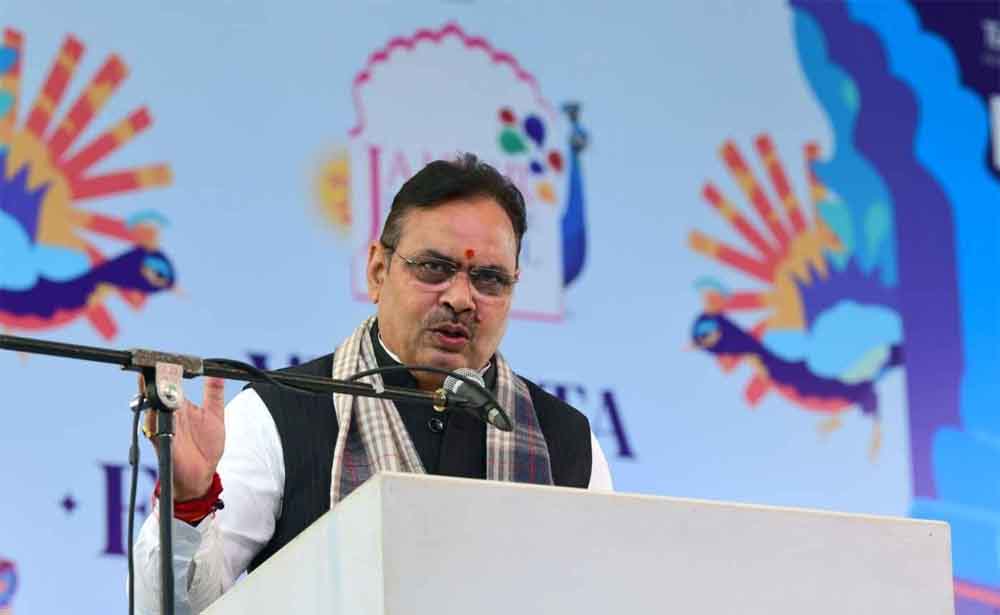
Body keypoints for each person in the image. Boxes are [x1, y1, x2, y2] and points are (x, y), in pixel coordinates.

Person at [132, 153, 613, 613]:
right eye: (435, 268)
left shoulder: (565, 439)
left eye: (489, 278)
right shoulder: (280, 412)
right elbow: (167, 611)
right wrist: (188, 506)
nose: (462, 298)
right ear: (378, 270)